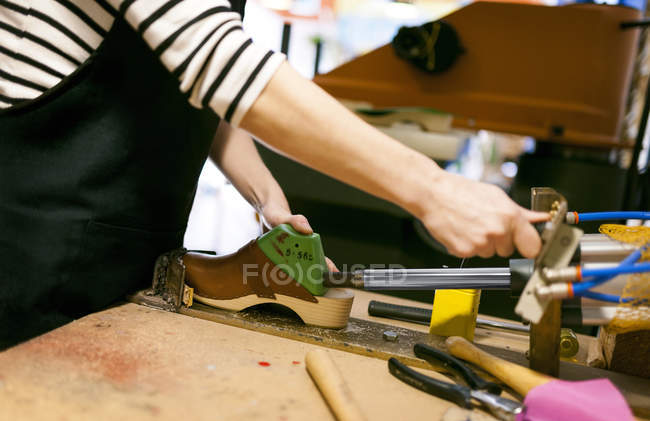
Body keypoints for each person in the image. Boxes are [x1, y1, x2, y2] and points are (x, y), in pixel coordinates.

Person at [0, 0, 547, 348]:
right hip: (26, 252)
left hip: (118, 267)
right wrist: (434, 190)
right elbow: (213, 61)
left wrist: (267, 198)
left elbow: (182, 87)